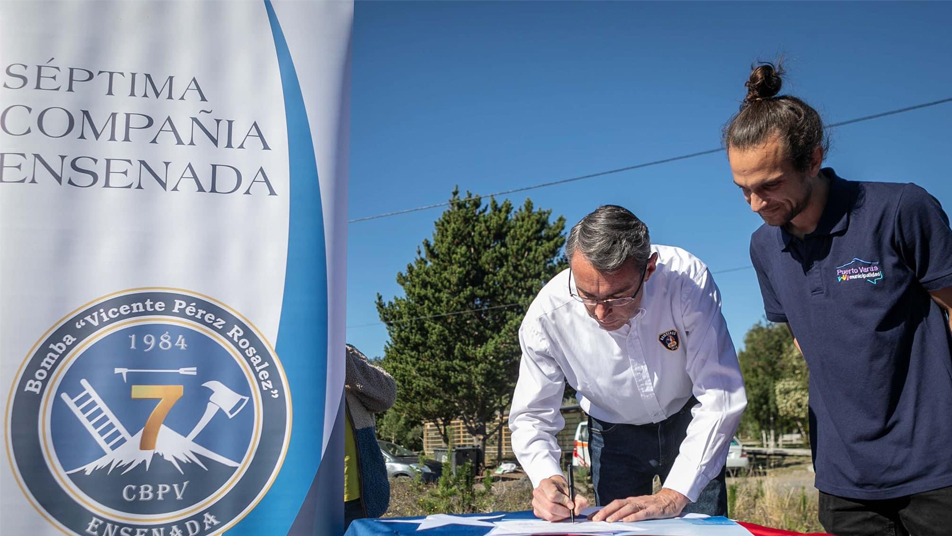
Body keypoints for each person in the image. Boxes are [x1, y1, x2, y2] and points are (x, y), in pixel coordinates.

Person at [725, 61, 952, 535]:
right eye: (743, 190)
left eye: (769, 185)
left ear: (812, 159)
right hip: (845, 482)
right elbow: (806, 340)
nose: (756, 204)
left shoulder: (901, 210)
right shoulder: (763, 247)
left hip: (937, 470)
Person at [508, 205, 747, 523]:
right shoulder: (546, 318)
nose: (600, 313)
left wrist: (673, 496)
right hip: (612, 432)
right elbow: (531, 418)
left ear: (649, 269)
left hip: (690, 422)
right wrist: (545, 477)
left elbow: (721, 394)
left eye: (618, 297)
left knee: (702, 527)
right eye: (586, 296)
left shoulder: (687, 282)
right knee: (616, 527)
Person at [344, 344, 397, 530]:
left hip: (354, 498)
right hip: (306, 493)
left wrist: (341, 357)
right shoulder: (285, 356)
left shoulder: (348, 352)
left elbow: (387, 396)